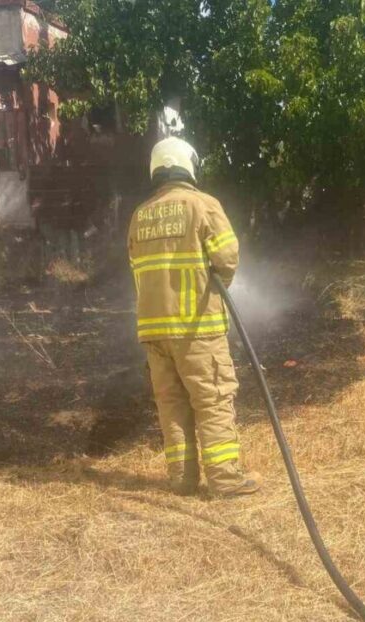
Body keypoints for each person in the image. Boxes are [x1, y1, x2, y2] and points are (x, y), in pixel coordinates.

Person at [127, 137, 259, 498]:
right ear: (189, 164)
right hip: (196, 327)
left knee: (172, 406)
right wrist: (215, 284)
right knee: (213, 399)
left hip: (154, 331)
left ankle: (182, 480)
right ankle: (226, 480)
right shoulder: (203, 205)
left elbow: (136, 268)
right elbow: (227, 258)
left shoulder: (140, 215)